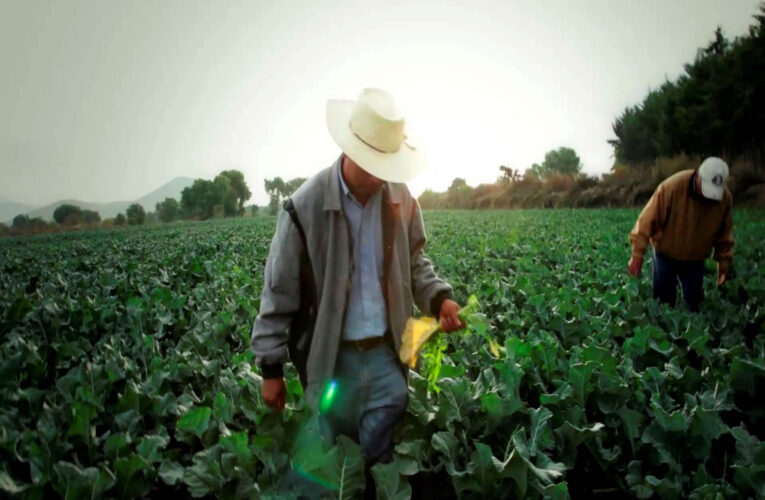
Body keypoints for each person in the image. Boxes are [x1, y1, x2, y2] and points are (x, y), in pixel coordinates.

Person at [250, 88, 462, 492]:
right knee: (329, 456)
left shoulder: (401, 198)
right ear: (351, 152)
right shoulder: (304, 207)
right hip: (331, 360)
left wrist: (439, 298)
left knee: (380, 450)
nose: (381, 175)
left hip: (385, 354)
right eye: (373, 165)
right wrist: (271, 369)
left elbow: (416, 261)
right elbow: (278, 295)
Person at [627, 157, 734, 311]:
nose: (708, 196)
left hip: (695, 259)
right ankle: (662, 331)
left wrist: (724, 261)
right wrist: (637, 255)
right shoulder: (672, 187)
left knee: (694, 304)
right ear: (698, 176)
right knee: (663, 302)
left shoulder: (724, 199)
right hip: (666, 254)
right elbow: (646, 221)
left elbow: (725, 233)